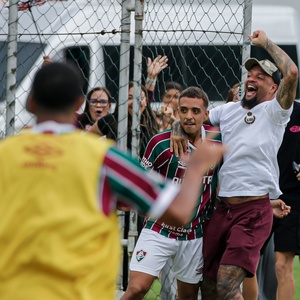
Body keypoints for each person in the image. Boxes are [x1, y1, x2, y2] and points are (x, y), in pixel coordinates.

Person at [0, 62, 226, 300]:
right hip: (81, 290)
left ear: (30, 102)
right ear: (80, 104)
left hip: (14, 290)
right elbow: (178, 210)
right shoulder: (105, 159)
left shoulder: (6, 155)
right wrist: (196, 169)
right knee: (138, 288)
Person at [169, 30, 298, 299]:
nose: (251, 79)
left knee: (228, 285)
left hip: (253, 211)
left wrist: (265, 44)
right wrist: (176, 128)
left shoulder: (274, 112)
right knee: (210, 284)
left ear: (273, 89)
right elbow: (193, 119)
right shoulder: (227, 110)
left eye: (259, 77)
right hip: (223, 208)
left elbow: (292, 73)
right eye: (249, 75)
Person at [121, 87, 221, 300]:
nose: (188, 116)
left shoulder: (217, 141)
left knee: (188, 296)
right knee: (137, 289)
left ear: (206, 114)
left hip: (194, 234)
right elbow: (142, 182)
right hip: (158, 228)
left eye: (195, 111)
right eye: (183, 110)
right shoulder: (160, 143)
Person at [273, 100, 300, 300]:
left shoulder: (298, 112)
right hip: (257, 194)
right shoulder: (255, 112)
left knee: (283, 265)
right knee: (247, 264)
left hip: (291, 197)